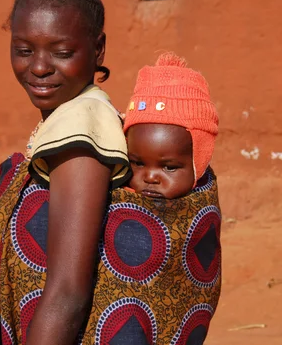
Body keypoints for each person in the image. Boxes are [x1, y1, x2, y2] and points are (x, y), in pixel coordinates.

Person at [0, 0, 130, 345]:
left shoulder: (81, 126)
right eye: (24, 50)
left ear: (98, 49)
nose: (39, 67)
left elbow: (67, 292)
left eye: (61, 52)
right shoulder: (67, 117)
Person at [76, 52, 222, 344]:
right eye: (138, 163)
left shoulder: (202, 208)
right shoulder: (115, 204)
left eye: (169, 166)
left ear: (199, 160)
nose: (151, 177)